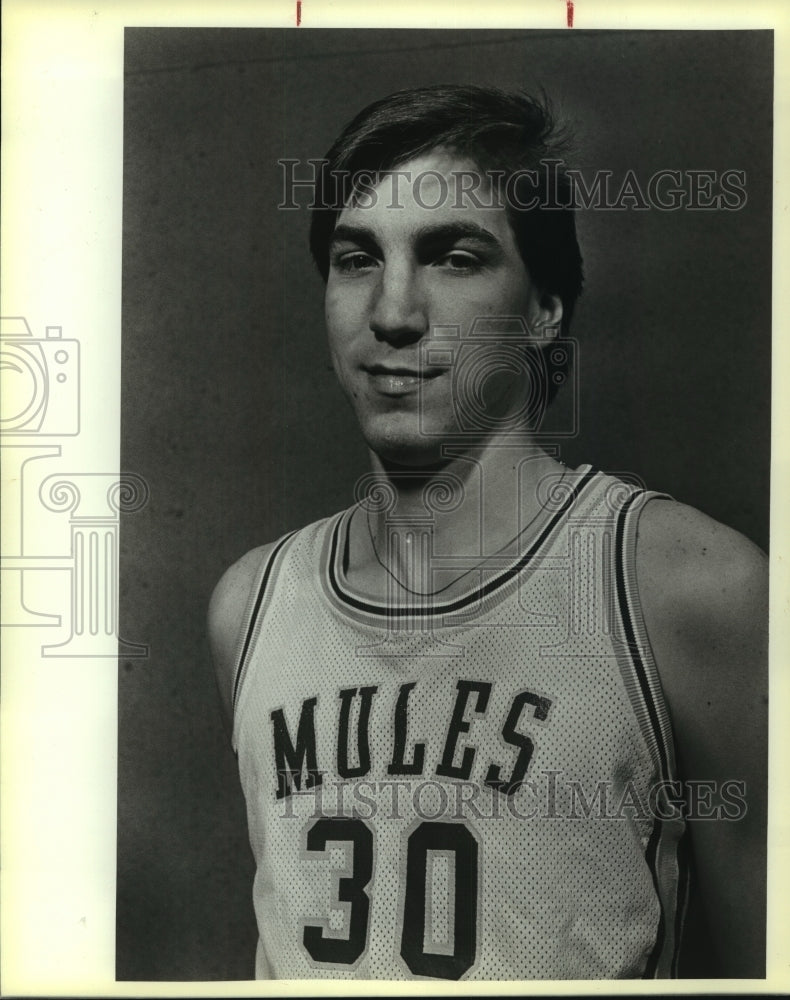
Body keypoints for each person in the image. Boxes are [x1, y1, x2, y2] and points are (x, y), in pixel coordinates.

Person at [208, 85, 767, 981]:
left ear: (545, 307)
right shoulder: (254, 604)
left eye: (454, 257)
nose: (394, 312)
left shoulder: (684, 590)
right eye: (356, 259)